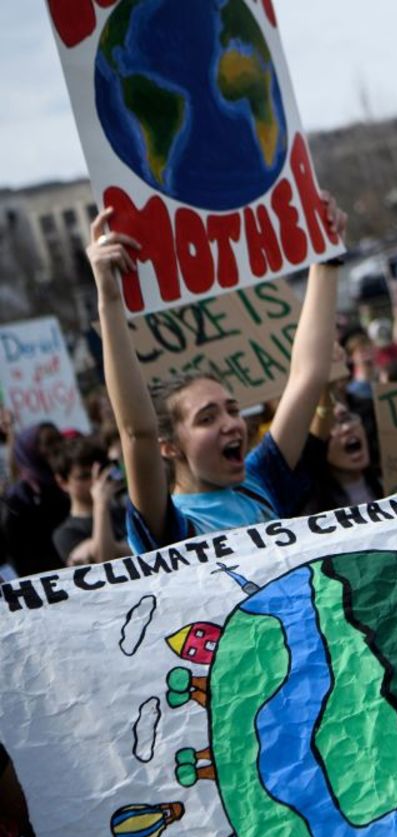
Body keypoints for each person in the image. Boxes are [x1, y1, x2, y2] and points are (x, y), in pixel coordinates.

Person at [88, 198, 348, 553]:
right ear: (169, 447)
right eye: (207, 418)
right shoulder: (168, 528)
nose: (231, 424)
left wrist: (326, 253)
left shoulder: (259, 482)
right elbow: (137, 432)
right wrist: (110, 298)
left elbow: (308, 375)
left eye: (233, 410)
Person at [0, 423, 69, 576]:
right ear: (29, 450)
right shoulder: (16, 499)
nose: (57, 447)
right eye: (48, 442)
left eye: (59, 439)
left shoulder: (69, 484)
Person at [50, 435, 128, 566]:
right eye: (84, 476)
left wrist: (115, 548)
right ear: (62, 482)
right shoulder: (66, 533)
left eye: (99, 472)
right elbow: (104, 561)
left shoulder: (124, 512)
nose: (95, 481)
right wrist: (100, 504)